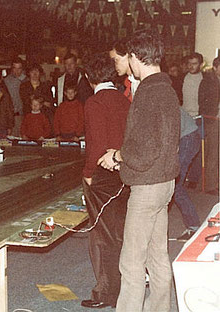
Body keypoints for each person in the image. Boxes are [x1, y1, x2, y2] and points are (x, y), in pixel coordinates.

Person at [97, 29, 180, 312]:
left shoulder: (148, 92)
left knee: (131, 263)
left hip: (146, 187)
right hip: (165, 183)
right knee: (157, 256)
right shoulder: (167, 88)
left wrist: (117, 156)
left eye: (128, 58)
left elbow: (143, 150)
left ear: (135, 57)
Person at [80, 52, 131, 309]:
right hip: (125, 173)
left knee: (101, 236)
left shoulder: (94, 102)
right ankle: (123, 289)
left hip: (103, 175)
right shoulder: (125, 100)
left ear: (89, 77)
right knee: (120, 234)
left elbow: (96, 146)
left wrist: (88, 174)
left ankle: (105, 293)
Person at [173, 107, 201, 241]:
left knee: (176, 186)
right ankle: (193, 226)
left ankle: (194, 227)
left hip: (187, 138)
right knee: (175, 185)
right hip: (189, 135)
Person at [182, 53, 204, 189]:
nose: (191, 66)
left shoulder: (204, 79)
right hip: (185, 117)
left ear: (200, 65)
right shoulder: (184, 77)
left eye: (194, 63)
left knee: (197, 150)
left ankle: (194, 179)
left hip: (198, 118)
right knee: (183, 149)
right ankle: (182, 177)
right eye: (189, 63)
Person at [198, 56, 220, 196]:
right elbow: (202, 102)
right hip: (212, 120)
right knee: (212, 153)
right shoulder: (207, 81)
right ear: (216, 67)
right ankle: (211, 185)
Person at [19, 63, 54, 128]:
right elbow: (26, 101)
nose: (35, 74)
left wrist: (34, 97)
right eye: (32, 72)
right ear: (29, 73)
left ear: (40, 73)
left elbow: (49, 102)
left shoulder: (45, 86)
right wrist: (42, 101)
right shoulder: (24, 86)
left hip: (43, 118)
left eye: (37, 71)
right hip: (29, 116)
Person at [3, 58, 27, 137]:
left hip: (25, 115)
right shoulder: (6, 81)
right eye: (15, 68)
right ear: (11, 68)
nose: (17, 71)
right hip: (12, 116)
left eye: (19, 68)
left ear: (22, 69)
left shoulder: (27, 80)